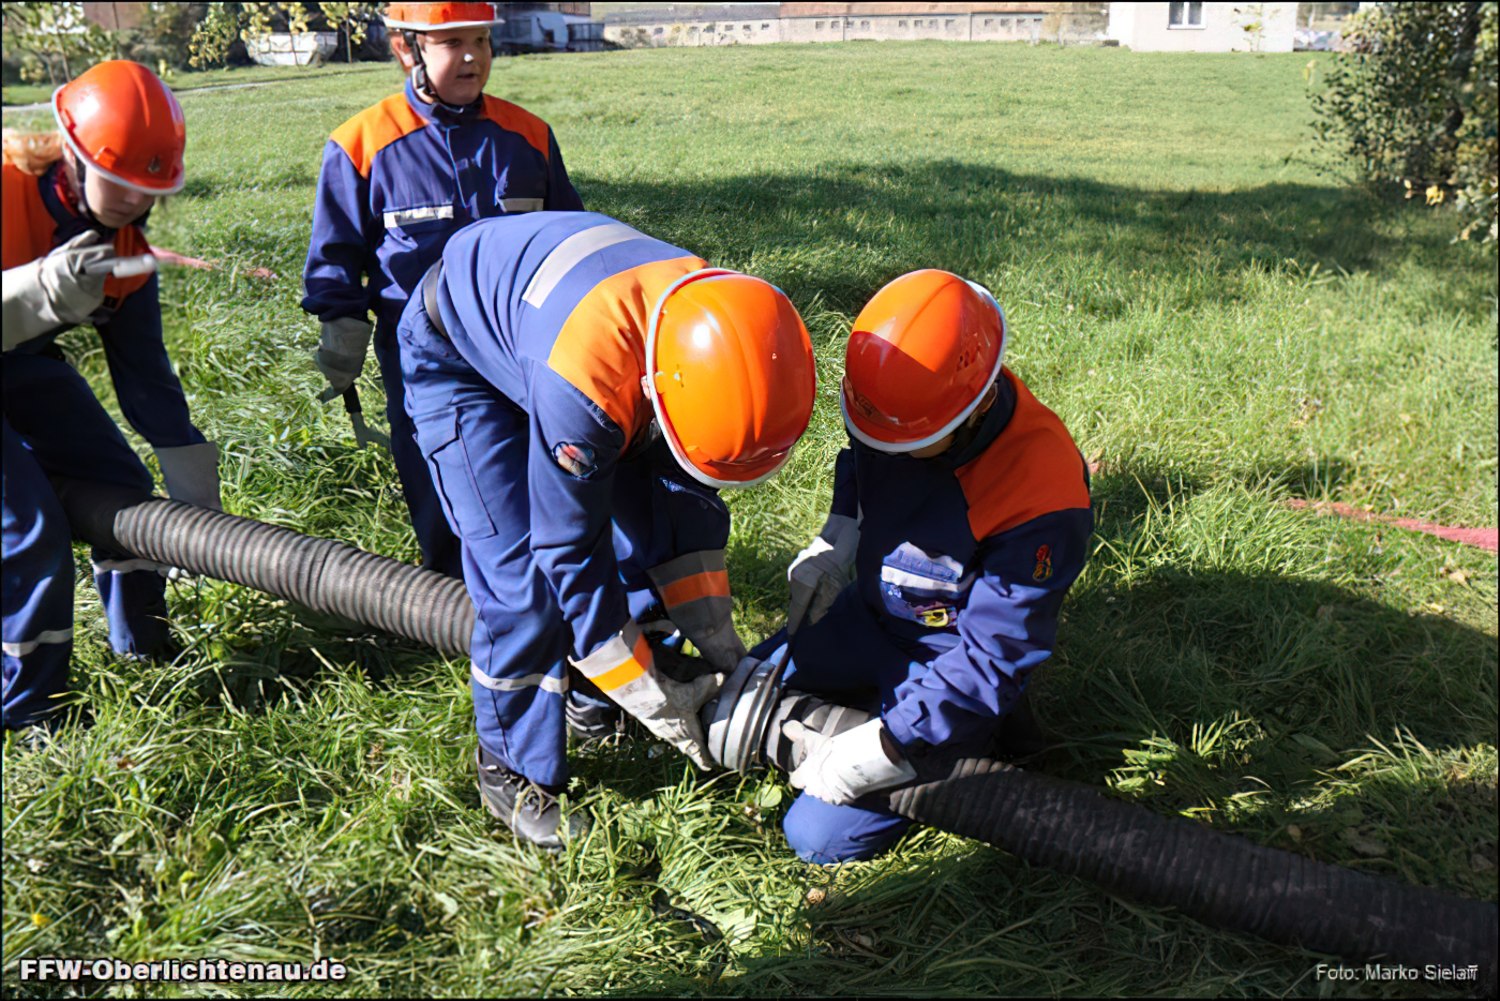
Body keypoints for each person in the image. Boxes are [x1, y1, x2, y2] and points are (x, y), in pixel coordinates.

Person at [398, 210, 817, 848]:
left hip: (557, 337)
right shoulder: (591, 390)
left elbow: (682, 500)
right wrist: (650, 697)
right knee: (524, 591)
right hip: (461, 358)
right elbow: (565, 547)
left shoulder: (719, 335)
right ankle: (510, 770)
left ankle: (600, 698)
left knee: (651, 520)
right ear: (659, 389)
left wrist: (716, 634)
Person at [763, 269, 1093, 864]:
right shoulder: (889, 401)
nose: (889, 451)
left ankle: (983, 740)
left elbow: (993, 656)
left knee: (817, 837)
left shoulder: (1041, 495)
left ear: (976, 407)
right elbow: (864, 463)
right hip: (870, 617)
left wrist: (889, 744)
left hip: (950, 664)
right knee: (749, 685)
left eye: (907, 444)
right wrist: (838, 536)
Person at [302, 1, 584, 578]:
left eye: (480, 41)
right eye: (452, 43)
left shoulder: (527, 136)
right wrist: (341, 326)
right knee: (438, 475)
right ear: (407, 49)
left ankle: (545, 588)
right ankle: (449, 595)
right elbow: (334, 256)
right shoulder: (360, 145)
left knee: (536, 472)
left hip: (517, 347)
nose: (473, 57)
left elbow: (571, 242)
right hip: (420, 357)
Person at [2, 61, 221, 732]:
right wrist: (33, 291)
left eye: (148, 189)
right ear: (71, 153)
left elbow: (144, 373)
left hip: (17, 363)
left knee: (120, 482)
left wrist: (193, 488)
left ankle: (145, 647)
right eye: (119, 181)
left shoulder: (125, 253)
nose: (132, 202)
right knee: (29, 523)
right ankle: (30, 705)